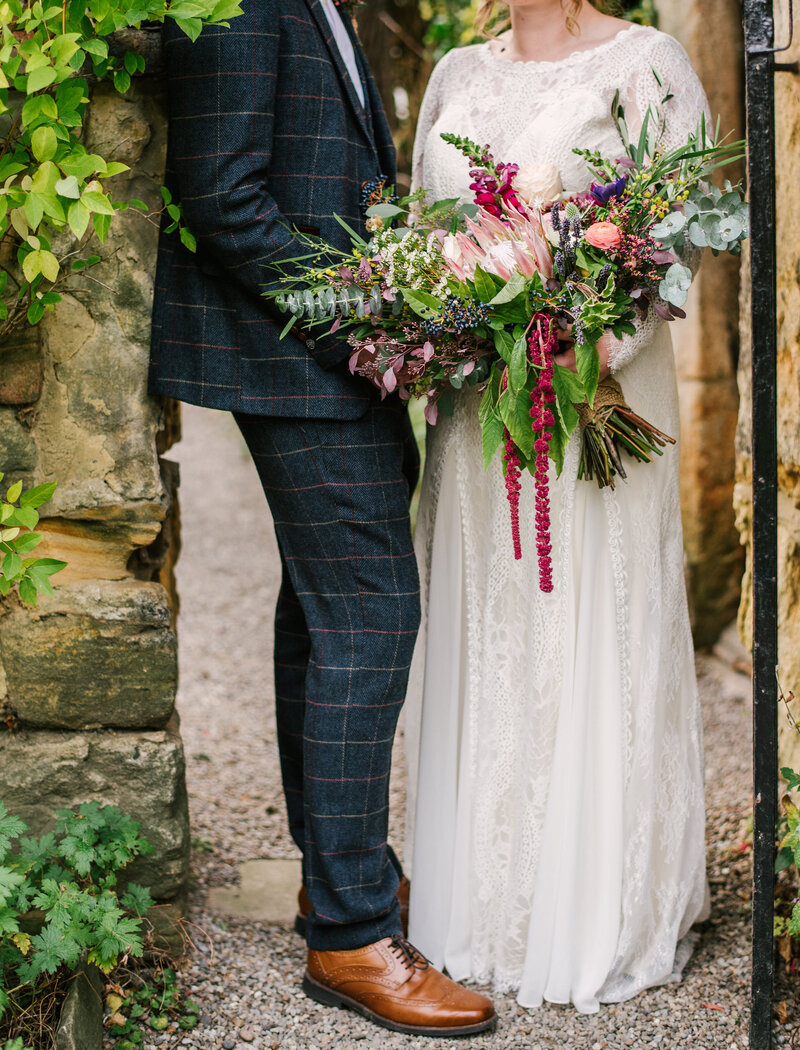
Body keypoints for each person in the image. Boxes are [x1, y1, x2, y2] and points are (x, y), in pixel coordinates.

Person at [149, 0, 496, 1037]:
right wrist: (369, 314)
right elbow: (220, 195)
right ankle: (350, 937)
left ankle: (333, 879)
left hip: (329, 359)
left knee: (321, 611)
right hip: (297, 359)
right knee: (370, 615)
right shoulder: (244, 1)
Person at [405, 0, 711, 1014]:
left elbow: (677, 246)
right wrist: (454, 316)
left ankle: (595, 906)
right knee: (491, 622)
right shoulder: (453, 74)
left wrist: (572, 339)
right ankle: (477, 901)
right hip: (472, 408)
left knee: (587, 615)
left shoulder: (647, 64)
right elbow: (418, 237)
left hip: (594, 396)